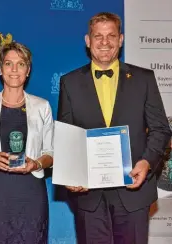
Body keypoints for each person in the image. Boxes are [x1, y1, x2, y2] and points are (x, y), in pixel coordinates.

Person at [57, 12, 171, 244]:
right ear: (87, 41)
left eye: (111, 35)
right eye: (98, 36)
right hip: (89, 195)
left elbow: (160, 129)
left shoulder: (143, 78)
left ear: (121, 39)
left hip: (133, 191)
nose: (104, 42)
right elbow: (67, 136)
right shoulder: (69, 82)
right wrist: (70, 174)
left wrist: (147, 162)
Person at [0, 41, 54, 243]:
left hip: (31, 190)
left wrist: (37, 163)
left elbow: (51, 152)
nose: (14, 70)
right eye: (8, 64)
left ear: (28, 70)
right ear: (0, 69)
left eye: (21, 64)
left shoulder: (42, 107)